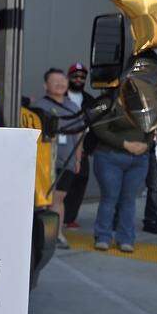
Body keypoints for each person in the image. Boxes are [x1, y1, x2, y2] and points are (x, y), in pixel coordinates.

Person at [90, 97, 148, 252]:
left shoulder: (144, 101)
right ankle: (103, 236)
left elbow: (152, 125)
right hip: (110, 156)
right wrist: (125, 144)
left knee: (129, 199)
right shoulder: (106, 102)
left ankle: (126, 239)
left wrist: (146, 144)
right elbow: (99, 127)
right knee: (110, 197)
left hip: (139, 158)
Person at [34, 68, 84, 249]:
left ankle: (56, 234)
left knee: (59, 199)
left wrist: (78, 159)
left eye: (62, 81)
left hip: (67, 160)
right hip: (44, 162)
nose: (60, 84)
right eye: (55, 81)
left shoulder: (73, 107)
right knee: (42, 200)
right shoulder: (39, 106)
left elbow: (79, 136)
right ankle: (41, 234)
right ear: (45, 85)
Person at [62, 62, 95, 229]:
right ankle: (58, 217)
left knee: (79, 184)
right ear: (69, 77)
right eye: (75, 76)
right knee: (62, 185)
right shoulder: (60, 96)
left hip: (83, 152)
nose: (79, 79)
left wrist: (87, 150)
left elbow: (96, 127)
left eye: (82, 77)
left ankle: (70, 218)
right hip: (62, 150)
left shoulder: (90, 100)